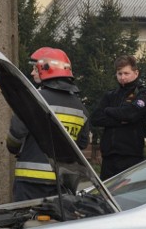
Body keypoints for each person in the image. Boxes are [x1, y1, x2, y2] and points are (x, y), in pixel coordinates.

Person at [6, 47, 89, 201]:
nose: (32, 73)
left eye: (35, 69)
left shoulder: (33, 99)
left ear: (47, 69)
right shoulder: (81, 109)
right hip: (63, 184)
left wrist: (15, 148)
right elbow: (82, 144)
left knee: (27, 222)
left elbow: (15, 136)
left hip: (30, 183)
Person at [90, 55, 146, 179]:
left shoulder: (143, 93)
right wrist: (121, 119)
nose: (122, 77)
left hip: (130, 155)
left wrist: (108, 110)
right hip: (109, 157)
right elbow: (96, 118)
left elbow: (131, 114)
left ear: (136, 73)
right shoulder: (110, 95)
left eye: (126, 73)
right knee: (106, 195)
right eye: (119, 73)